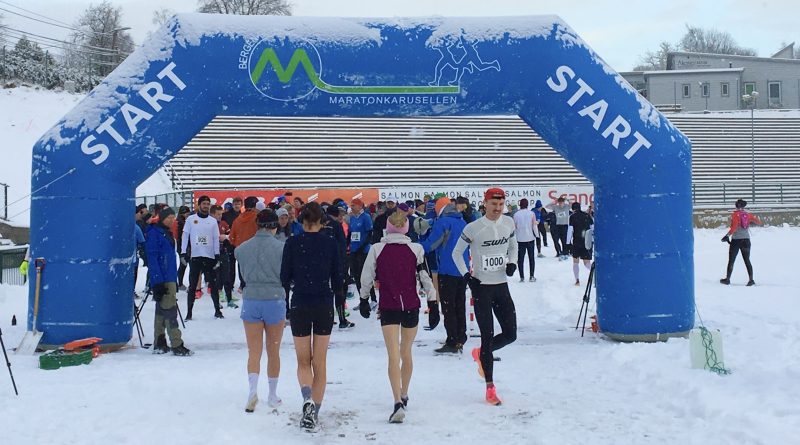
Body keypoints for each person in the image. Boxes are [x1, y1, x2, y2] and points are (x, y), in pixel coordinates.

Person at [359, 210, 437, 423]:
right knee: (406, 352)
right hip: (411, 304)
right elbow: (424, 275)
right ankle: (404, 392)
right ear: (406, 228)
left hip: (389, 305)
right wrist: (433, 300)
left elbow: (366, 275)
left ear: (388, 228)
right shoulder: (416, 248)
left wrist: (364, 298)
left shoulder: (377, 249)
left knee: (393, 355)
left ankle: (396, 401)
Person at [453, 187, 518, 406]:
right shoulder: (474, 227)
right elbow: (456, 253)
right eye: (494, 204)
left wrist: (512, 262)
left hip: (501, 286)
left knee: (511, 334)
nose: (498, 209)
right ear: (485, 204)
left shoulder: (508, 223)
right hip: (481, 287)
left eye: (501, 205)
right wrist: (466, 276)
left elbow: (513, 244)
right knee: (487, 336)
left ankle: (480, 353)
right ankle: (490, 388)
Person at [281, 202, 342, 430]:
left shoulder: (293, 242)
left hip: (300, 302)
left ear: (301, 221)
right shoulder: (331, 243)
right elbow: (338, 279)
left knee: (302, 360)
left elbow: (284, 276)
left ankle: (306, 398)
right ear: (322, 222)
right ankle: (314, 410)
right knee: (320, 361)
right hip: (323, 301)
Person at [235, 209, 286, 412]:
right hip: (274, 300)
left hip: (251, 300)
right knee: (273, 351)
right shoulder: (282, 248)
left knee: (253, 351)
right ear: (274, 226)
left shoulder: (242, 249)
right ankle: (272, 395)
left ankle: (252, 391)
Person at [420, 198, 466, 353]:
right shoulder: (462, 221)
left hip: (447, 270)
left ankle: (452, 341)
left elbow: (431, 245)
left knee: (448, 307)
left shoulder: (443, 222)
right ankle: (461, 336)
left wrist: (417, 244)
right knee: (459, 305)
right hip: (462, 269)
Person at [146, 207, 192, 356]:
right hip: (164, 277)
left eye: (173, 217)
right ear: (162, 218)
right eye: (169, 218)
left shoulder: (165, 232)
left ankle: (159, 342)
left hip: (169, 275)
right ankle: (176, 343)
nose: (172, 220)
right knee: (170, 311)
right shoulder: (155, 233)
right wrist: (157, 281)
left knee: (161, 310)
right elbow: (152, 258)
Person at [181, 195, 222, 320]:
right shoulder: (191, 219)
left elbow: (216, 239)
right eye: (203, 203)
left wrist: (217, 254)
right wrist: (183, 252)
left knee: (213, 285)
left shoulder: (213, 221)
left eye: (207, 204)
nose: (206, 206)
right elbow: (185, 236)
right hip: (196, 257)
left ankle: (217, 311)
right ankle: (189, 312)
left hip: (209, 257)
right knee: (193, 286)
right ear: (199, 205)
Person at [322, 205, 355, 329]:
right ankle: (342, 319)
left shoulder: (321, 224)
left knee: (327, 292)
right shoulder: (336, 225)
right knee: (339, 291)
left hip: (322, 264)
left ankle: (327, 319)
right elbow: (342, 244)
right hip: (336, 264)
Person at [721, 199, 763, 286]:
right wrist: (749, 223)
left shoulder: (735, 214)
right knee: (747, 260)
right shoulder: (748, 214)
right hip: (746, 240)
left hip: (736, 240)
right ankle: (751, 280)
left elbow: (734, 227)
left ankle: (727, 279)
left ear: (736, 206)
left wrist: (727, 235)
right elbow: (758, 222)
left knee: (731, 260)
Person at [348, 198, 375, 304]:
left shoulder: (366, 217)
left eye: (354, 205)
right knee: (356, 275)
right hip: (354, 250)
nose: (352, 207)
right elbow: (351, 233)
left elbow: (369, 234)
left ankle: (373, 299)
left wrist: (362, 247)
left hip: (363, 251)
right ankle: (362, 300)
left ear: (360, 206)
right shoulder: (353, 218)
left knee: (365, 276)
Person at [211, 205, 238, 308]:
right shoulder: (208, 224)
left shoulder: (223, 223)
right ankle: (217, 300)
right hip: (212, 254)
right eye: (218, 214)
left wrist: (226, 237)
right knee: (216, 277)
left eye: (221, 214)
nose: (220, 216)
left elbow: (230, 235)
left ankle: (229, 299)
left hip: (223, 252)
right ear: (212, 214)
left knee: (227, 275)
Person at [513, 198, 539, 282]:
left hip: (520, 239)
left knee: (520, 258)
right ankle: (531, 276)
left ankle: (522, 277)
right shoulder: (531, 213)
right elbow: (534, 225)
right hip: (530, 238)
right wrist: (537, 235)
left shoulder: (516, 215)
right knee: (531, 258)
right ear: (527, 204)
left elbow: (515, 227)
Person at [568, 202, 594, 286]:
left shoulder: (572, 217)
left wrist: (568, 242)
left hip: (577, 241)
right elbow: (592, 228)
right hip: (587, 241)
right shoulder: (587, 215)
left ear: (573, 209)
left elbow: (570, 230)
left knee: (576, 261)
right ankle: (595, 277)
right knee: (587, 262)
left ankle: (577, 280)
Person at [546, 196, 571, 260]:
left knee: (564, 240)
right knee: (558, 239)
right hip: (558, 225)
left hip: (565, 225)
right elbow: (547, 206)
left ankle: (565, 252)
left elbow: (572, 204)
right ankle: (560, 252)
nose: (560, 204)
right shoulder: (556, 207)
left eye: (561, 203)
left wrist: (567, 199)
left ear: (563, 202)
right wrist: (555, 201)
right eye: (559, 203)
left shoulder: (567, 207)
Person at [175, 206, 191, 290]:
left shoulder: (186, 221)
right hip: (183, 247)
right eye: (186, 214)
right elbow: (180, 237)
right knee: (183, 265)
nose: (187, 215)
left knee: (186, 265)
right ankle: (180, 283)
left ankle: (182, 283)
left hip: (187, 246)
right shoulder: (180, 223)